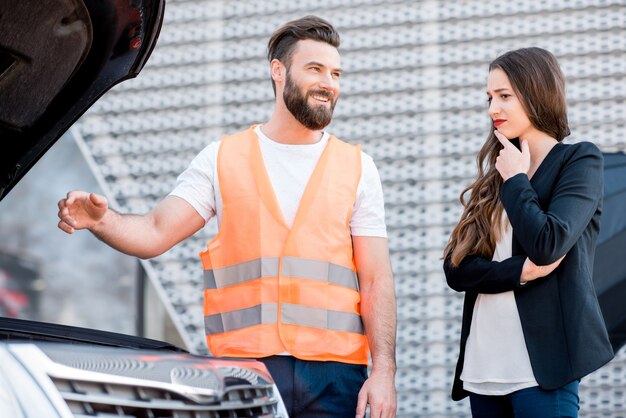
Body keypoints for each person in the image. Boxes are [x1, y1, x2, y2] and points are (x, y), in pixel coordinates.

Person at [57, 15, 397, 418]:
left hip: (336, 377)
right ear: (278, 71)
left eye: (336, 72)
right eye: (315, 69)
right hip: (245, 372)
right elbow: (154, 232)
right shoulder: (222, 158)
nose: (329, 82)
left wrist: (385, 373)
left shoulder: (358, 167)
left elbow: (376, 279)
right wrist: (101, 220)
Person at [443, 47, 614, 417]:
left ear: (537, 92)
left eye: (505, 96)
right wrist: (517, 272)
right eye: (490, 98)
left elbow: (547, 243)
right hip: (483, 370)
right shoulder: (497, 175)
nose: (493, 109)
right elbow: (456, 270)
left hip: (542, 371)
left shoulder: (579, 161)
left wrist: (518, 180)